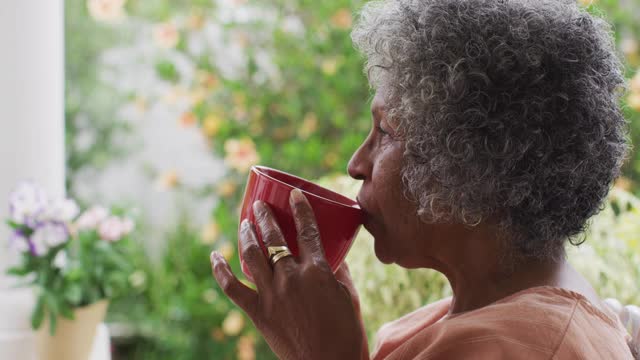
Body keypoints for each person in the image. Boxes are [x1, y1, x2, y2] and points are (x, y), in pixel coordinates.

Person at [210, 0, 637, 358]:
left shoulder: (525, 346)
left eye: (386, 133)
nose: (356, 164)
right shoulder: (494, 316)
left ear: (474, 164)